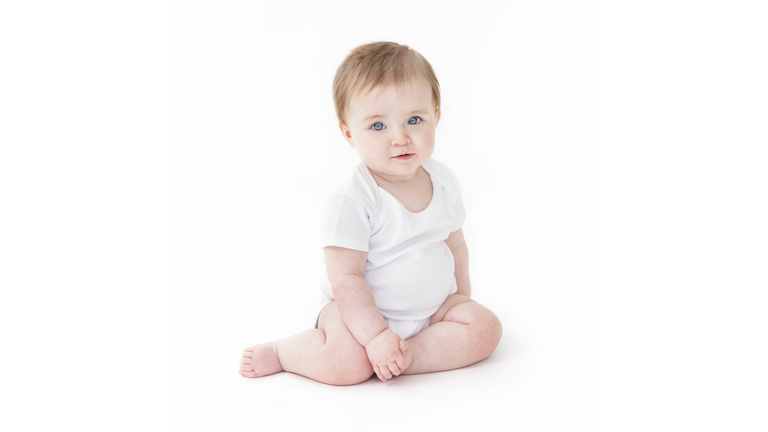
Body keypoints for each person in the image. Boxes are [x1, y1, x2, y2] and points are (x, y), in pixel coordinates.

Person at [239, 41, 502, 385]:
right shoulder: (353, 196)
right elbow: (346, 277)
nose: (400, 137)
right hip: (357, 316)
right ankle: (283, 352)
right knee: (347, 364)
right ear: (349, 134)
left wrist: (459, 301)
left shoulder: (443, 180)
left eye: (414, 120)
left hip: (431, 310)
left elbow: (455, 245)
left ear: (436, 117)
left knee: (486, 329)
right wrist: (375, 336)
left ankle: (412, 356)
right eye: (378, 126)